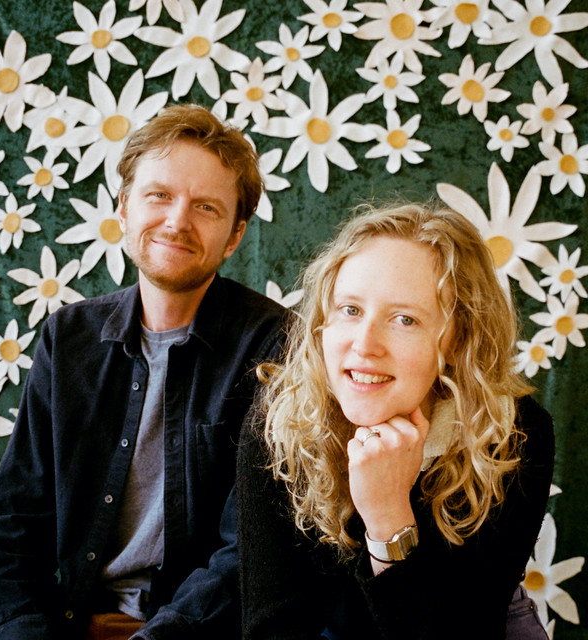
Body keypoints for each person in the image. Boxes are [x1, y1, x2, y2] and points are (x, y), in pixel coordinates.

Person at [0, 104, 290, 640]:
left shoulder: (275, 345)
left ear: (234, 235)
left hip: (195, 630)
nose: (177, 221)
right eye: (159, 195)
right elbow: (11, 521)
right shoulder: (68, 337)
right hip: (67, 620)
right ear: (123, 208)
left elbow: (248, 551)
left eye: (205, 207)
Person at [237, 202, 554, 639]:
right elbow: (273, 628)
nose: (365, 344)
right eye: (350, 309)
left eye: (405, 319)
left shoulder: (511, 434)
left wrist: (388, 518)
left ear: (459, 339)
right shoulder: (280, 421)